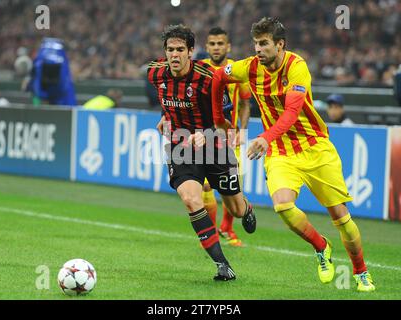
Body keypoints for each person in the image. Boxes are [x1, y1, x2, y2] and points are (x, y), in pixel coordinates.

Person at [212, 17, 375, 292]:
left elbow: (292, 111)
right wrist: (219, 119)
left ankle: (361, 273)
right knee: (283, 206)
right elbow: (218, 76)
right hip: (281, 153)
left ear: (280, 44)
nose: (258, 49)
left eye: (263, 44)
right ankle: (321, 247)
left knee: (341, 218)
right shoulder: (249, 67)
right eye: (255, 43)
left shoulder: (297, 67)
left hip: (315, 147)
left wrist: (264, 136)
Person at [147, 24, 256, 281]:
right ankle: (222, 265)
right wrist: (164, 116)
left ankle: (248, 208)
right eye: (170, 50)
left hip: (215, 145)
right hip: (181, 145)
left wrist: (205, 134)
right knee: (190, 198)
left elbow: (225, 121)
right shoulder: (155, 73)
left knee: (237, 209)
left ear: (191, 51)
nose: (175, 55)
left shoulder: (208, 78)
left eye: (180, 50)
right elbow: (167, 98)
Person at [201, 27, 252, 247]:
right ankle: (213, 233)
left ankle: (227, 227)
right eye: (212, 44)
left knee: (230, 188)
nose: (216, 48)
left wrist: (243, 128)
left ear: (228, 46)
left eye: (220, 44)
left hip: (230, 137)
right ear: (206, 47)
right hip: (205, 136)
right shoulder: (200, 69)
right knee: (205, 186)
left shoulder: (237, 70)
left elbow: (246, 104)